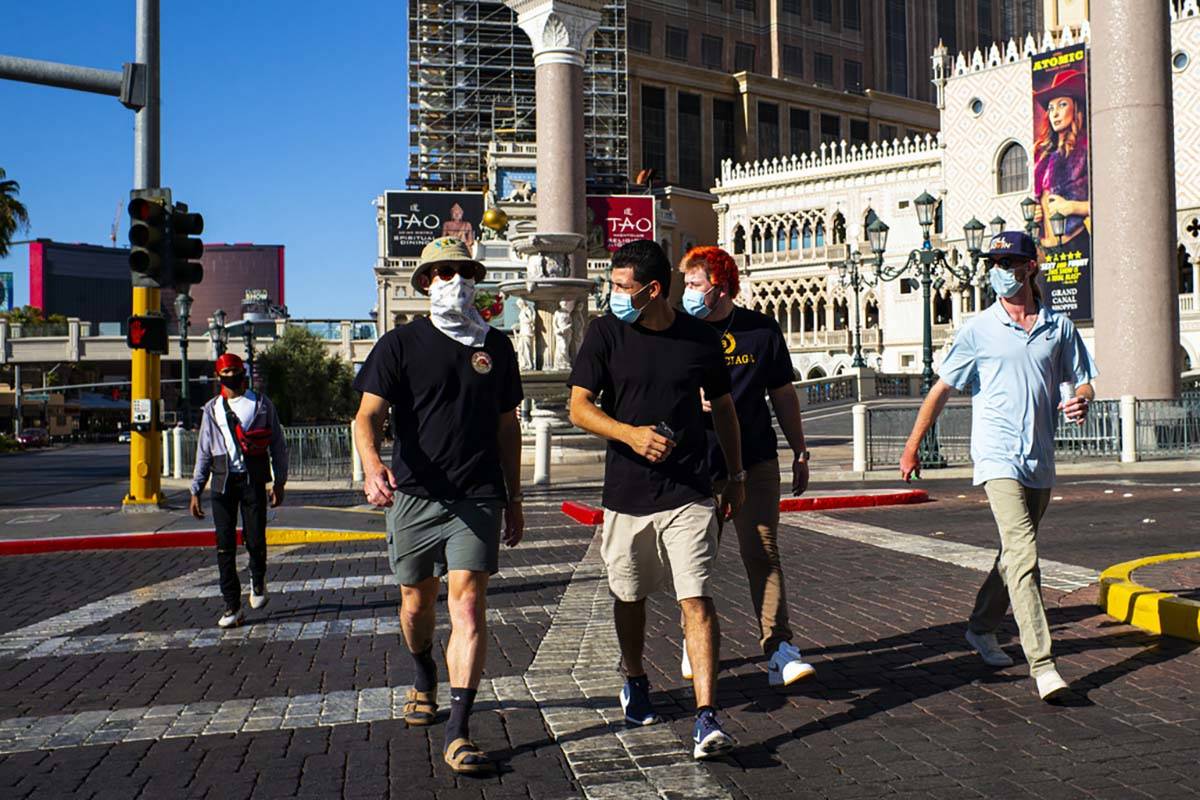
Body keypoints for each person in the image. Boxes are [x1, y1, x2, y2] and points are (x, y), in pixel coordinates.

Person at [899, 231, 1097, 702]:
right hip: (996, 455)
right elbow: (941, 389)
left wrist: (1082, 403)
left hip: (1040, 456)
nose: (999, 270)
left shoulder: (1058, 327)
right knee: (1025, 553)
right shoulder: (977, 329)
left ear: (1031, 267)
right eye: (994, 262)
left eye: (1008, 262)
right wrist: (912, 446)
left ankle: (981, 627)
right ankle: (1044, 666)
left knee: (1013, 554)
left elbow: (1084, 381)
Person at [567, 240, 746, 760]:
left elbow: (726, 411)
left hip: (688, 489)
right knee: (630, 595)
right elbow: (578, 407)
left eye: (621, 287)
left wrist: (733, 474)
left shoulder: (699, 339)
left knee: (696, 595)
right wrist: (630, 434)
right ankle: (636, 675)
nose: (613, 295)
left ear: (651, 290)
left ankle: (707, 715)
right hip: (626, 492)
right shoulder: (605, 332)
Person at [353, 236, 524, 775]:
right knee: (415, 604)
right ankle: (423, 671)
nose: (456, 279)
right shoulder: (399, 345)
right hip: (414, 495)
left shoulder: (496, 347)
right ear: (425, 282)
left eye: (464, 271)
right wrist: (373, 465)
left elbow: (507, 427)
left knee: (469, 606)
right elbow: (366, 418)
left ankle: (459, 729)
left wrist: (514, 497)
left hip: (476, 495)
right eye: (444, 271)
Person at [677, 246, 816, 688]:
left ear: (719, 287)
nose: (687, 292)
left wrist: (800, 450)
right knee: (697, 558)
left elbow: (784, 395)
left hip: (754, 457)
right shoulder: (677, 333)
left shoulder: (761, 330)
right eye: (685, 283)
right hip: (697, 461)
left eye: (695, 284)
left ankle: (779, 648)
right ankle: (692, 637)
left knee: (763, 551)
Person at [190, 353, 288, 629]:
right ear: (218, 375)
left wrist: (279, 481)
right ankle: (232, 605)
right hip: (222, 483)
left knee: (255, 538)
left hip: (253, 479)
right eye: (226, 371)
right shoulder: (212, 409)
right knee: (224, 547)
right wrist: (196, 489)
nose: (231, 375)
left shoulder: (261, 405)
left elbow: (278, 445)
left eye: (235, 370)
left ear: (242, 372)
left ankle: (258, 581)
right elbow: (204, 451)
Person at [1032, 69, 1090, 258]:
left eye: (1062, 105)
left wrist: (1073, 207)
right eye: (1051, 108)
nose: (1055, 114)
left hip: (1074, 246)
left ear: (1076, 109)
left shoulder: (1086, 150)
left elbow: (1110, 203)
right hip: (1045, 251)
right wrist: (1036, 212)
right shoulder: (1043, 155)